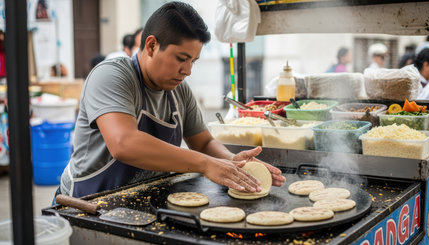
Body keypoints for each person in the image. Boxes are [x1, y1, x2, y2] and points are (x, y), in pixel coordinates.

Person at [54, 2, 285, 200]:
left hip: (140, 200)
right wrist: (205, 164)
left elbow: (203, 143)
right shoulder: (112, 76)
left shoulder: (179, 91)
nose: (187, 71)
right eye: (181, 59)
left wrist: (233, 162)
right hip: (87, 202)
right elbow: (124, 143)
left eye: (193, 61)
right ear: (152, 45)